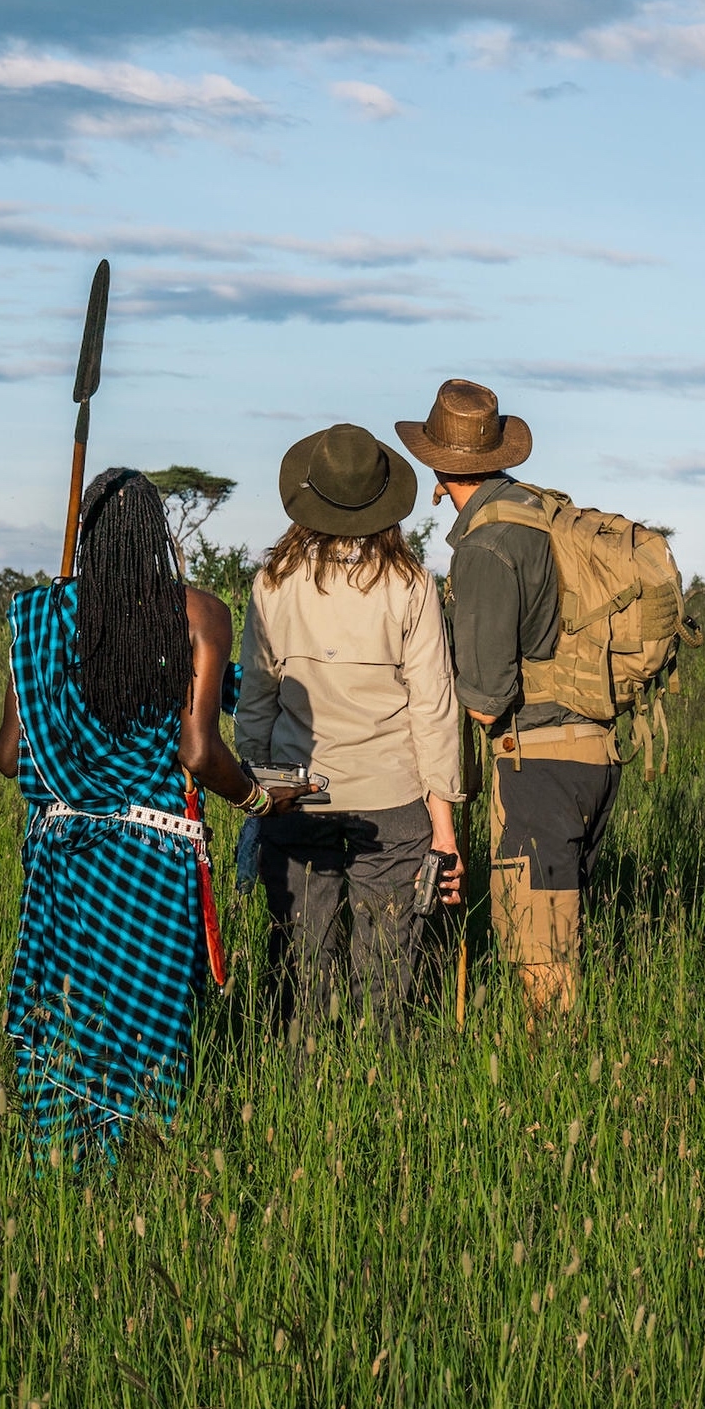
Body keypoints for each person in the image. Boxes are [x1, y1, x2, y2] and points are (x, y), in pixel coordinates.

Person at [0, 467, 299, 1163]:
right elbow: (199, 751)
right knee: (147, 1024)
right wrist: (256, 797)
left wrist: (51, 687)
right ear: (157, 535)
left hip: (60, 857)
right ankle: (147, 1170)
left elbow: (10, 755)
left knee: (66, 1023)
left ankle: (63, 1172)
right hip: (148, 861)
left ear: (86, 536)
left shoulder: (35, 616)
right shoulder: (197, 614)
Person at [395, 379, 621, 1015]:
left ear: (439, 467)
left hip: (538, 762)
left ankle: (555, 1086)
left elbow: (488, 701)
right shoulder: (537, 511)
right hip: (591, 749)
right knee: (560, 932)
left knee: (538, 950)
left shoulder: (487, 545)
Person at [235, 422, 464, 1035]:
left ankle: (298, 1093)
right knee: (389, 972)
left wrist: (258, 796)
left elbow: (255, 700)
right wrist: (444, 829)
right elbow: (435, 709)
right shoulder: (411, 584)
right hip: (394, 799)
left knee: (301, 969)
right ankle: (382, 1095)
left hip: (293, 797)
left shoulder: (272, 583)